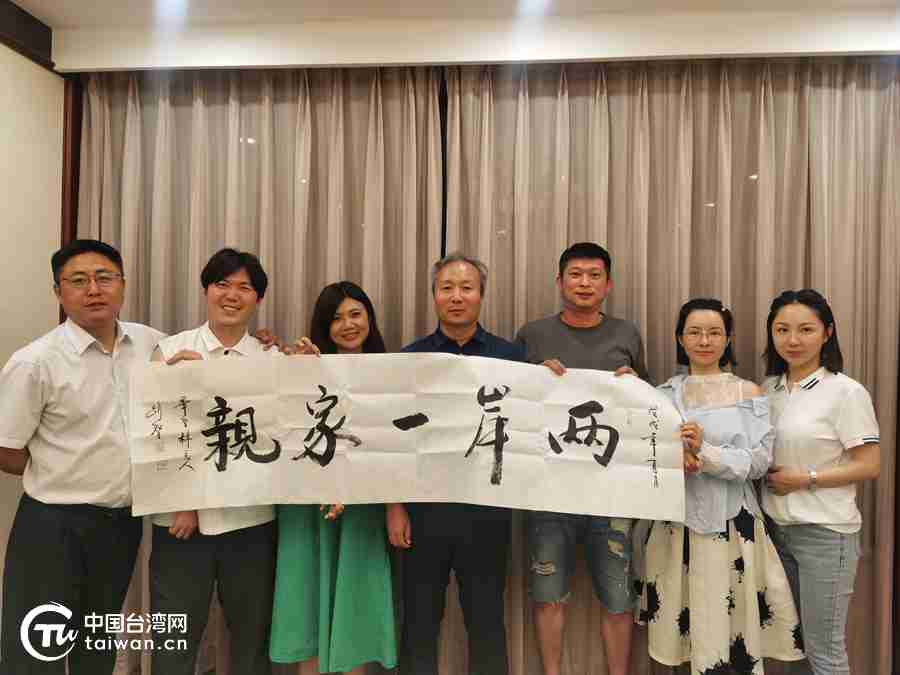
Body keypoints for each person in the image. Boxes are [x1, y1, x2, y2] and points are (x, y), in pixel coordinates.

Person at [0, 239, 165, 674]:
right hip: (52, 526)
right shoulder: (35, 362)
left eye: (104, 277)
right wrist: (59, 469)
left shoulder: (150, 344)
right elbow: (6, 449)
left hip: (120, 525)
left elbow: (211, 369)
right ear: (58, 292)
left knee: (97, 644)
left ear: (123, 285)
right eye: (78, 280)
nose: (94, 289)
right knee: (38, 647)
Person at [636, 298, 804, 675]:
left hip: (735, 524)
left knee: (734, 630)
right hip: (676, 524)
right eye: (694, 332)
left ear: (728, 339)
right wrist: (675, 460)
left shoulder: (750, 393)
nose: (704, 340)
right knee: (683, 631)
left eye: (714, 333)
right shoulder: (661, 395)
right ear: (680, 338)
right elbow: (645, 459)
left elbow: (759, 463)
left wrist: (705, 453)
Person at [513, 241, 647, 675]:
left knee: (619, 597)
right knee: (548, 592)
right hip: (549, 490)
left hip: (612, 491)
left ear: (608, 285)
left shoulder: (627, 334)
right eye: (575, 274)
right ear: (559, 281)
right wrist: (534, 381)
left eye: (594, 275)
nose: (584, 283)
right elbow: (511, 408)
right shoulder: (532, 335)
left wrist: (635, 385)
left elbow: (645, 412)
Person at [388, 252, 524, 675]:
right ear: (434, 296)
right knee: (419, 620)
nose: (456, 296)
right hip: (423, 511)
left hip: (487, 510)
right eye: (447, 288)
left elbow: (532, 427)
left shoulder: (511, 357)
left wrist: (552, 379)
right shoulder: (410, 358)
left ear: (481, 295)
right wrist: (395, 506)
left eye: (467, 288)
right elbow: (393, 438)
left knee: (486, 620)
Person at [149, 248, 280, 675]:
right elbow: (158, 439)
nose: (232, 295)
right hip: (180, 524)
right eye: (222, 284)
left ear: (258, 298)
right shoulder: (170, 351)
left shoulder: (272, 360)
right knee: (174, 640)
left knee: (252, 638)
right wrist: (184, 502)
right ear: (206, 290)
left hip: (250, 521)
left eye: (244, 287)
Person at [270, 281, 397, 673]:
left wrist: (364, 492)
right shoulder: (303, 367)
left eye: (355, 314)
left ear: (370, 318)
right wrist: (291, 368)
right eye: (336, 318)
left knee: (355, 606)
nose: (348, 324)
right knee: (308, 600)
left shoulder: (391, 374)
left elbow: (393, 447)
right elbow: (284, 435)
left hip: (362, 506)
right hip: (309, 506)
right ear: (324, 325)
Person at [761, 289, 880, 675]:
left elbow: (870, 465)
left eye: (806, 329)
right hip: (776, 533)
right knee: (792, 649)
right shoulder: (768, 389)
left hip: (825, 535)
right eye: (782, 330)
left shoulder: (845, 392)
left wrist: (805, 479)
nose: (793, 340)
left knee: (824, 651)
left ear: (827, 332)